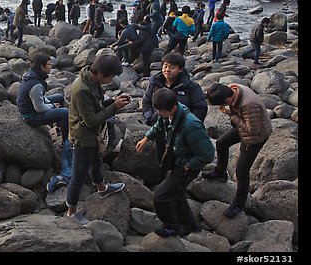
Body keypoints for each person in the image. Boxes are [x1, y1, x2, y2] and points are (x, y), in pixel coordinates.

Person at [135, 88, 215, 237]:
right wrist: (146, 138)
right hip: (177, 158)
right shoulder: (167, 114)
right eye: (157, 110)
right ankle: (190, 225)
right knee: (176, 193)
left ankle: (172, 226)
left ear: (173, 107)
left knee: (160, 196)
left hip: (186, 165)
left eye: (162, 111)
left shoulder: (191, 125)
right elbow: (159, 126)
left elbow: (208, 153)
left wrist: (189, 165)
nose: (159, 114)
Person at [65, 53, 130, 225]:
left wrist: (113, 102)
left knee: (95, 161)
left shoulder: (92, 81)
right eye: (112, 76)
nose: (112, 80)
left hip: (91, 135)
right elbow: (91, 120)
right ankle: (71, 211)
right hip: (82, 137)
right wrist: (115, 107)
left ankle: (102, 188)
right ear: (101, 73)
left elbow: (98, 106)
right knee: (78, 176)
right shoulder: (82, 89)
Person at [202, 82, 271, 218]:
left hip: (255, 137)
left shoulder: (248, 105)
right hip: (244, 125)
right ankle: (220, 172)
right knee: (221, 143)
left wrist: (230, 114)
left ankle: (239, 204)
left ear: (227, 100)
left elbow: (253, 130)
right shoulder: (234, 88)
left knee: (241, 171)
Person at [142, 52, 207, 175]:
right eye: (165, 66)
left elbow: (200, 107)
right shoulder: (155, 83)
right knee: (161, 154)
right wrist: (149, 118)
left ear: (181, 69)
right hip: (160, 128)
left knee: (179, 157)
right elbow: (146, 101)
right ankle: (162, 174)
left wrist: (190, 128)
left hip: (180, 130)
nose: (167, 70)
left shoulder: (190, 87)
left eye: (172, 67)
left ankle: (178, 177)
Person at [16, 54, 72, 191]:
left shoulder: (32, 76)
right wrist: (53, 107)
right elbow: (39, 108)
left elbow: (40, 99)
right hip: (31, 116)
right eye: (49, 64)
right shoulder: (35, 84)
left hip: (32, 107)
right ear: (41, 67)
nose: (51, 66)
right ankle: (66, 140)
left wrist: (52, 104)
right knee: (64, 112)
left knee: (59, 97)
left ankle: (60, 127)